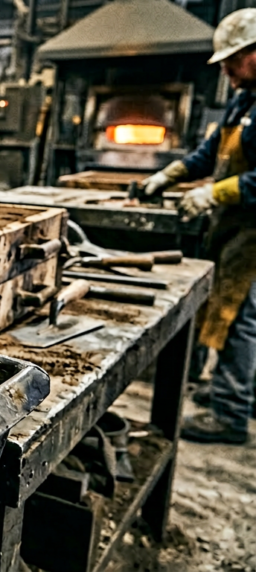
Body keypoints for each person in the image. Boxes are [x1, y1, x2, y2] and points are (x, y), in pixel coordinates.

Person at [142, 8, 256, 444]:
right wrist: (170, 174)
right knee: (223, 308)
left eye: (232, 59)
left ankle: (231, 413)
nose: (226, 69)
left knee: (239, 315)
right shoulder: (245, 97)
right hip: (234, 226)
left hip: (253, 230)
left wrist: (213, 194)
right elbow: (211, 152)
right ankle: (231, 389)